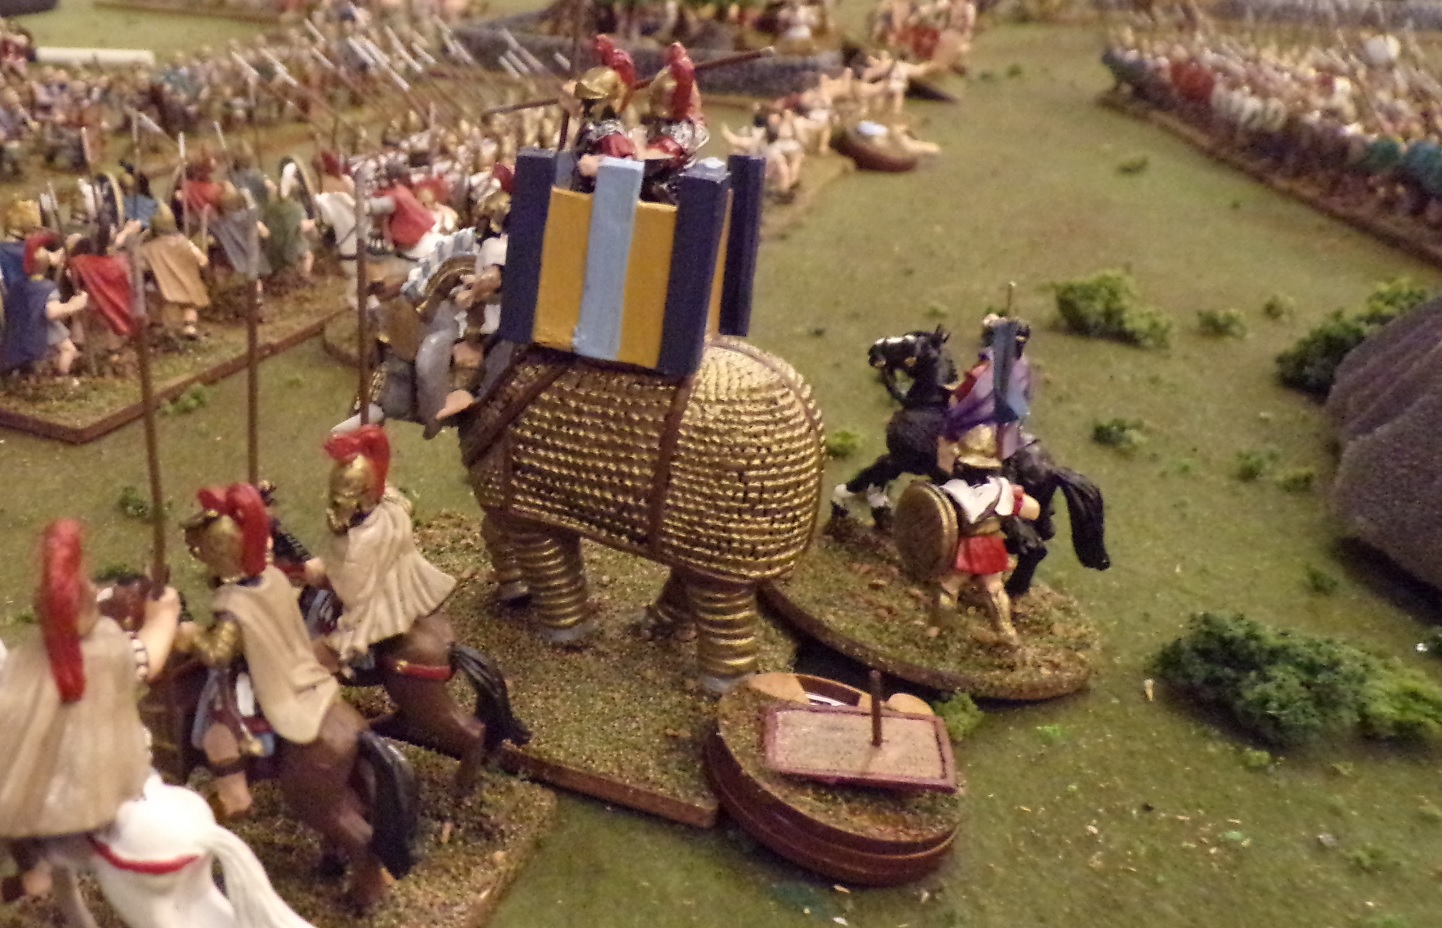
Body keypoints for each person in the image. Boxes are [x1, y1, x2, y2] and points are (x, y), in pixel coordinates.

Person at [0, 519, 182, 900]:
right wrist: (164, 614)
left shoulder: (25, 666)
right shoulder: (110, 645)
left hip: (75, 788)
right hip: (123, 769)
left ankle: (34, 873)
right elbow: (149, 655)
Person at [932, 425, 1040, 646]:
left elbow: (938, 516)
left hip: (963, 546)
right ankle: (1007, 633)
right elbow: (1033, 510)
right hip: (991, 545)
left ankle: (936, 629)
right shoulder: (1003, 490)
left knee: (949, 585)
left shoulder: (951, 491)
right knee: (994, 588)